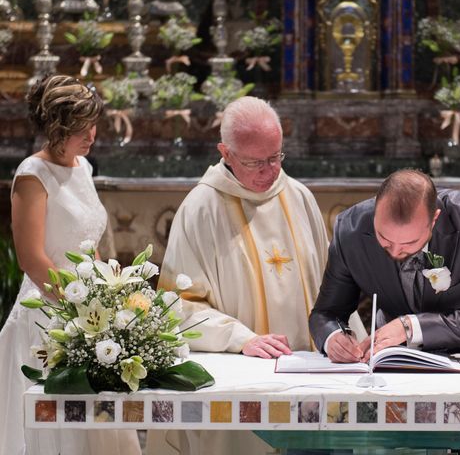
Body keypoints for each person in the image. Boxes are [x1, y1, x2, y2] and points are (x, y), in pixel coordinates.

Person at [147, 96, 331, 454]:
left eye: (276, 157)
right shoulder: (201, 209)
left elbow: (331, 285)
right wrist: (241, 338)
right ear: (226, 153)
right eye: (255, 162)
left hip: (311, 378)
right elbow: (177, 308)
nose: (269, 171)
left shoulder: (299, 197)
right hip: (241, 375)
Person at [309, 169, 460, 455]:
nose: (395, 251)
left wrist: (410, 326)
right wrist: (333, 337)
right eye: (384, 239)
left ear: (434, 219)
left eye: (409, 243)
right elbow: (325, 313)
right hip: (399, 371)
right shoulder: (350, 229)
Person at [0, 75, 141, 454]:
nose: (91, 134)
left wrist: (108, 296)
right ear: (56, 127)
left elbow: (88, 245)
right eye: (80, 127)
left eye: (93, 124)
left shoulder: (84, 168)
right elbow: (32, 258)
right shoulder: (32, 175)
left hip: (87, 314)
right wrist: (78, 309)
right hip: (46, 316)